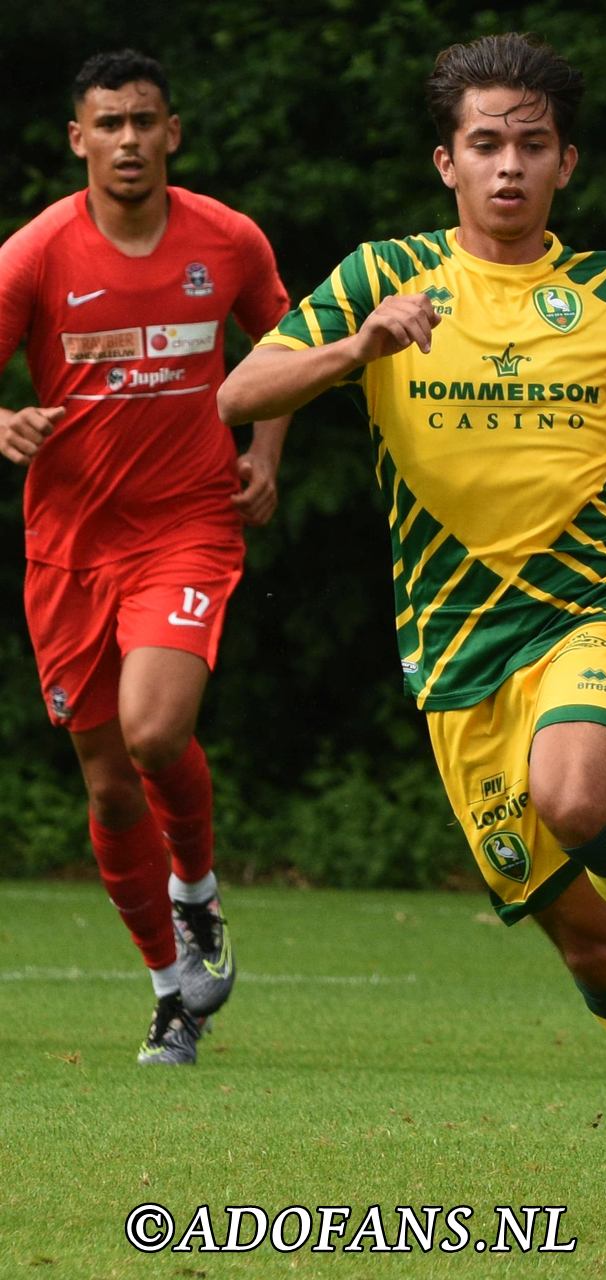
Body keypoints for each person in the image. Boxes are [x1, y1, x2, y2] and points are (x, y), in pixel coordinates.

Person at [217, 33, 606, 1226]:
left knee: (576, 795)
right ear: (445, 161)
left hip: (593, 601)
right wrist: (354, 347)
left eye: (529, 144)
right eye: (483, 144)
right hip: (456, 648)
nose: (506, 165)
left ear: (569, 162)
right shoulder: (383, 275)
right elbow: (236, 394)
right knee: (576, 934)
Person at [0, 49, 291, 1066]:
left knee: (157, 730)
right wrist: (4, 423)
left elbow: (286, 344)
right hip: (70, 548)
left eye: (145, 121)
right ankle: (172, 990)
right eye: (108, 124)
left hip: (187, 525)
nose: (128, 140)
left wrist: (263, 450)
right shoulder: (34, 255)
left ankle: (198, 891)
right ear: (77, 139)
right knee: (111, 785)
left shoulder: (228, 239)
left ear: (174, 133)